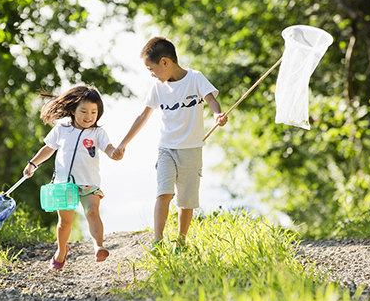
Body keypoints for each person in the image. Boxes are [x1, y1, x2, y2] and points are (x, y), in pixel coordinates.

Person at [114, 37, 228, 251]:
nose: (152, 74)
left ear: (165, 62)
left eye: (152, 69)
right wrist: (123, 143)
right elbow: (142, 116)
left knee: (186, 201)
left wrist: (217, 115)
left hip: (191, 149)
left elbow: (212, 100)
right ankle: (158, 240)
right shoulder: (158, 87)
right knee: (163, 192)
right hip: (166, 148)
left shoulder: (195, 78)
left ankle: (181, 241)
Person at [24, 85, 122, 270]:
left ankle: (98, 246)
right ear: (72, 110)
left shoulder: (97, 133)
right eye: (83, 111)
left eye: (93, 112)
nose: (88, 116)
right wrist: (33, 164)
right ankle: (61, 251)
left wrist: (114, 152)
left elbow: (108, 147)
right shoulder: (62, 129)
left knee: (92, 211)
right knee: (65, 222)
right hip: (64, 184)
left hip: (89, 182)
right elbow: (48, 149)